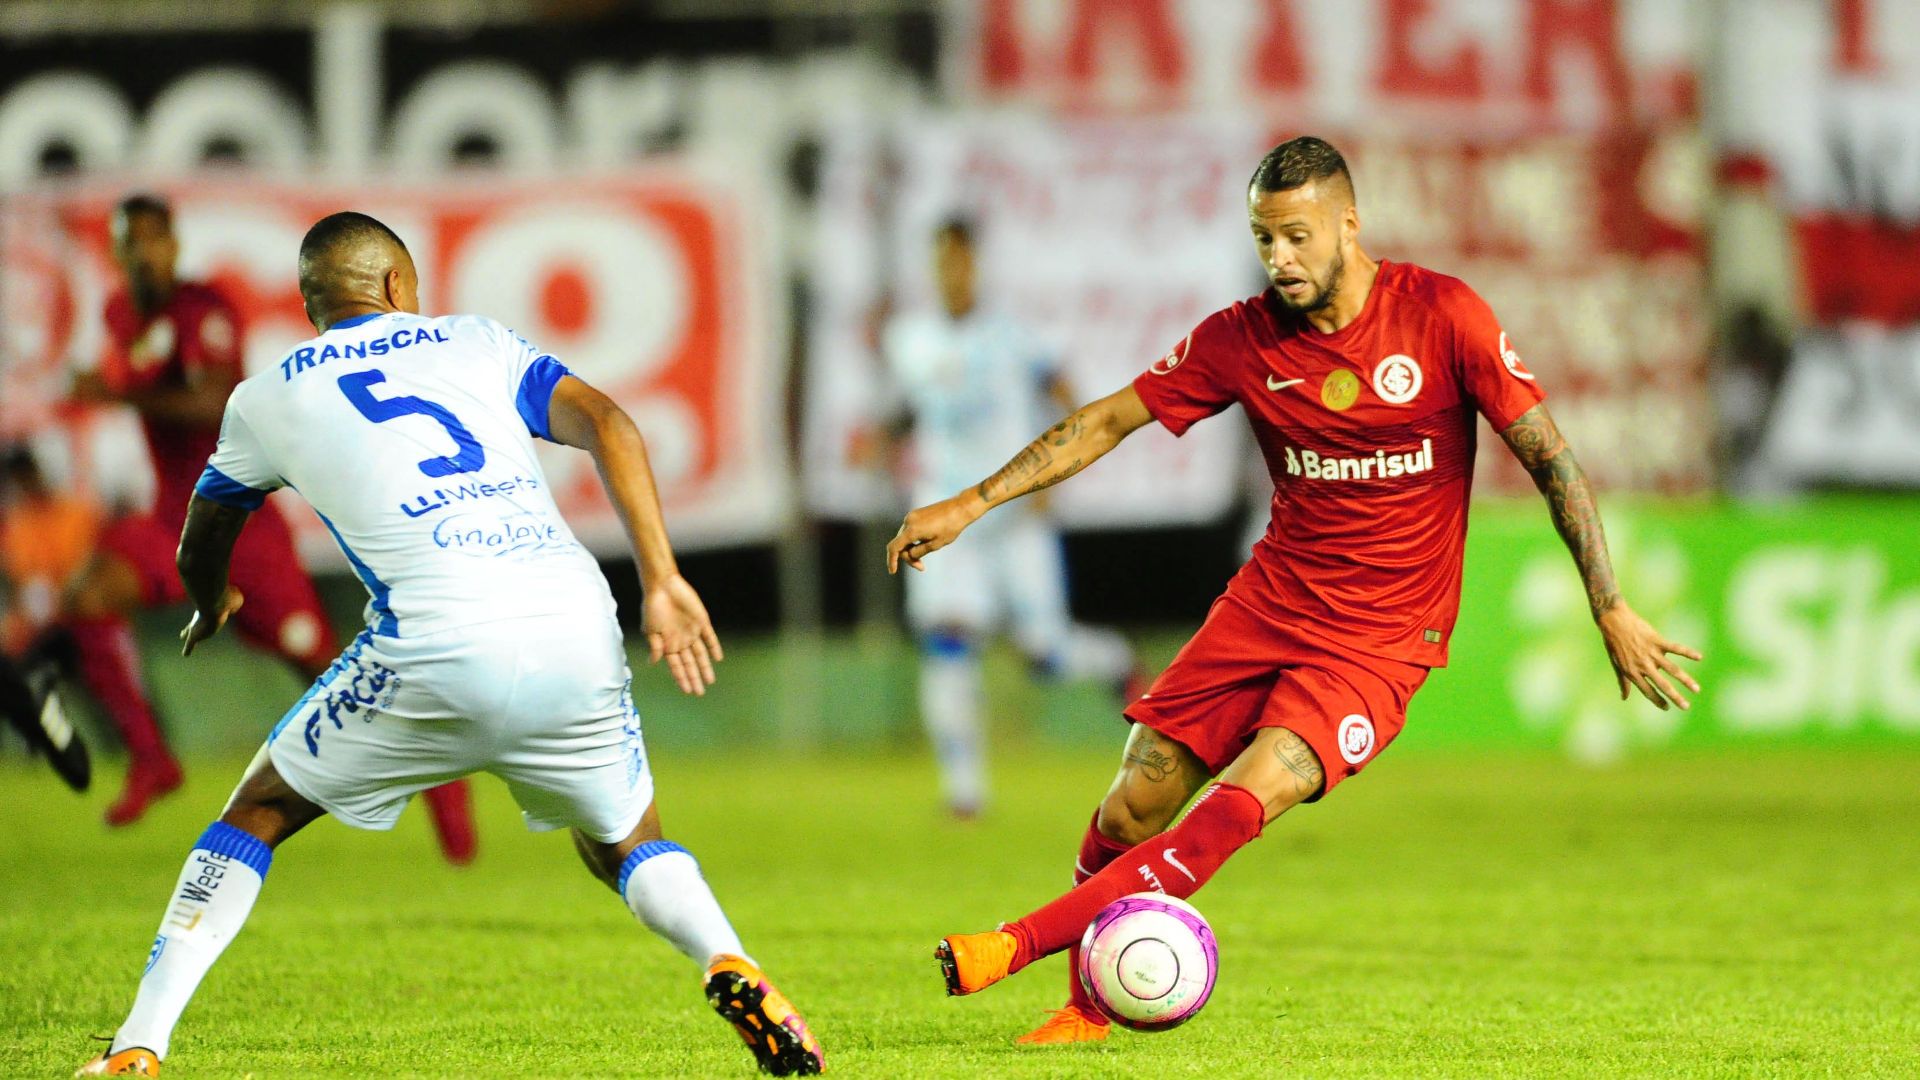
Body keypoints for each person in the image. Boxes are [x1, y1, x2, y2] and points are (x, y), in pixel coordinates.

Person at [886, 137, 1703, 1046]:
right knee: (1132, 809)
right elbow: (1105, 419)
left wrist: (1609, 605)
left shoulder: (1443, 317)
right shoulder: (1242, 338)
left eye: (1298, 237)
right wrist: (970, 502)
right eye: (1264, 239)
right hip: (1268, 605)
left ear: (1349, 224)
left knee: (1240, 802)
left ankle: (1014, 944)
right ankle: (1089, 1005)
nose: (1280, 258)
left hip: (1381, 641)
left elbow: (1554, 462)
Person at [76, 212, 823, 1077]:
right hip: (572, 622)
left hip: (433, 643)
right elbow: (613, 424)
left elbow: (201, 536)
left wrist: (210, 603)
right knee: (625, 837)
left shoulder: (266, 396)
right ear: (397, 286)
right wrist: (660, 579)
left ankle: (138, 1044)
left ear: (315, 303)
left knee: (257, 810)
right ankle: (728, 960)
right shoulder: (478, 341)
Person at [37, 193, 475, 857]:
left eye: (154, 239)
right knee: (89, 597)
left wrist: (116, 391)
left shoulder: (203, 309)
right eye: (131, 242)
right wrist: (99, 380)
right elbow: (139, 379)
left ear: (173, 245)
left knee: (321, 670)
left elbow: (214, 400)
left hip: (242, 521)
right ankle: (154, 759)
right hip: (173, 518)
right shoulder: (121, 313)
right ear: (118, 251)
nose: (144, 253)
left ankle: (437, 770)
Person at [880, 217, 1142, 817]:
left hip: (1013, 514)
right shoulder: (910, 339)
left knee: (1043, 654)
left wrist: (1060, 470)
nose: (953, 272)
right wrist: (882, 438)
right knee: (947, 638)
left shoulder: (1014, 336)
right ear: (934, 265)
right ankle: (964, 793)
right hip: (947, 517)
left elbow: (1069, 394)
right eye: (943, 261)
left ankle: (1115, 661)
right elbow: (907, 411)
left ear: (976, 264)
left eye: (962, 260)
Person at [0, 444, 95, 790]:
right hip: (38, 625)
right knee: (18, 663)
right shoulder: (18, 522)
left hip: (79, 619)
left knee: (82, 670)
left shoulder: (73, 511)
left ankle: (133, 750)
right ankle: (38, 741)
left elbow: (86, 566)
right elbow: (19, 583)